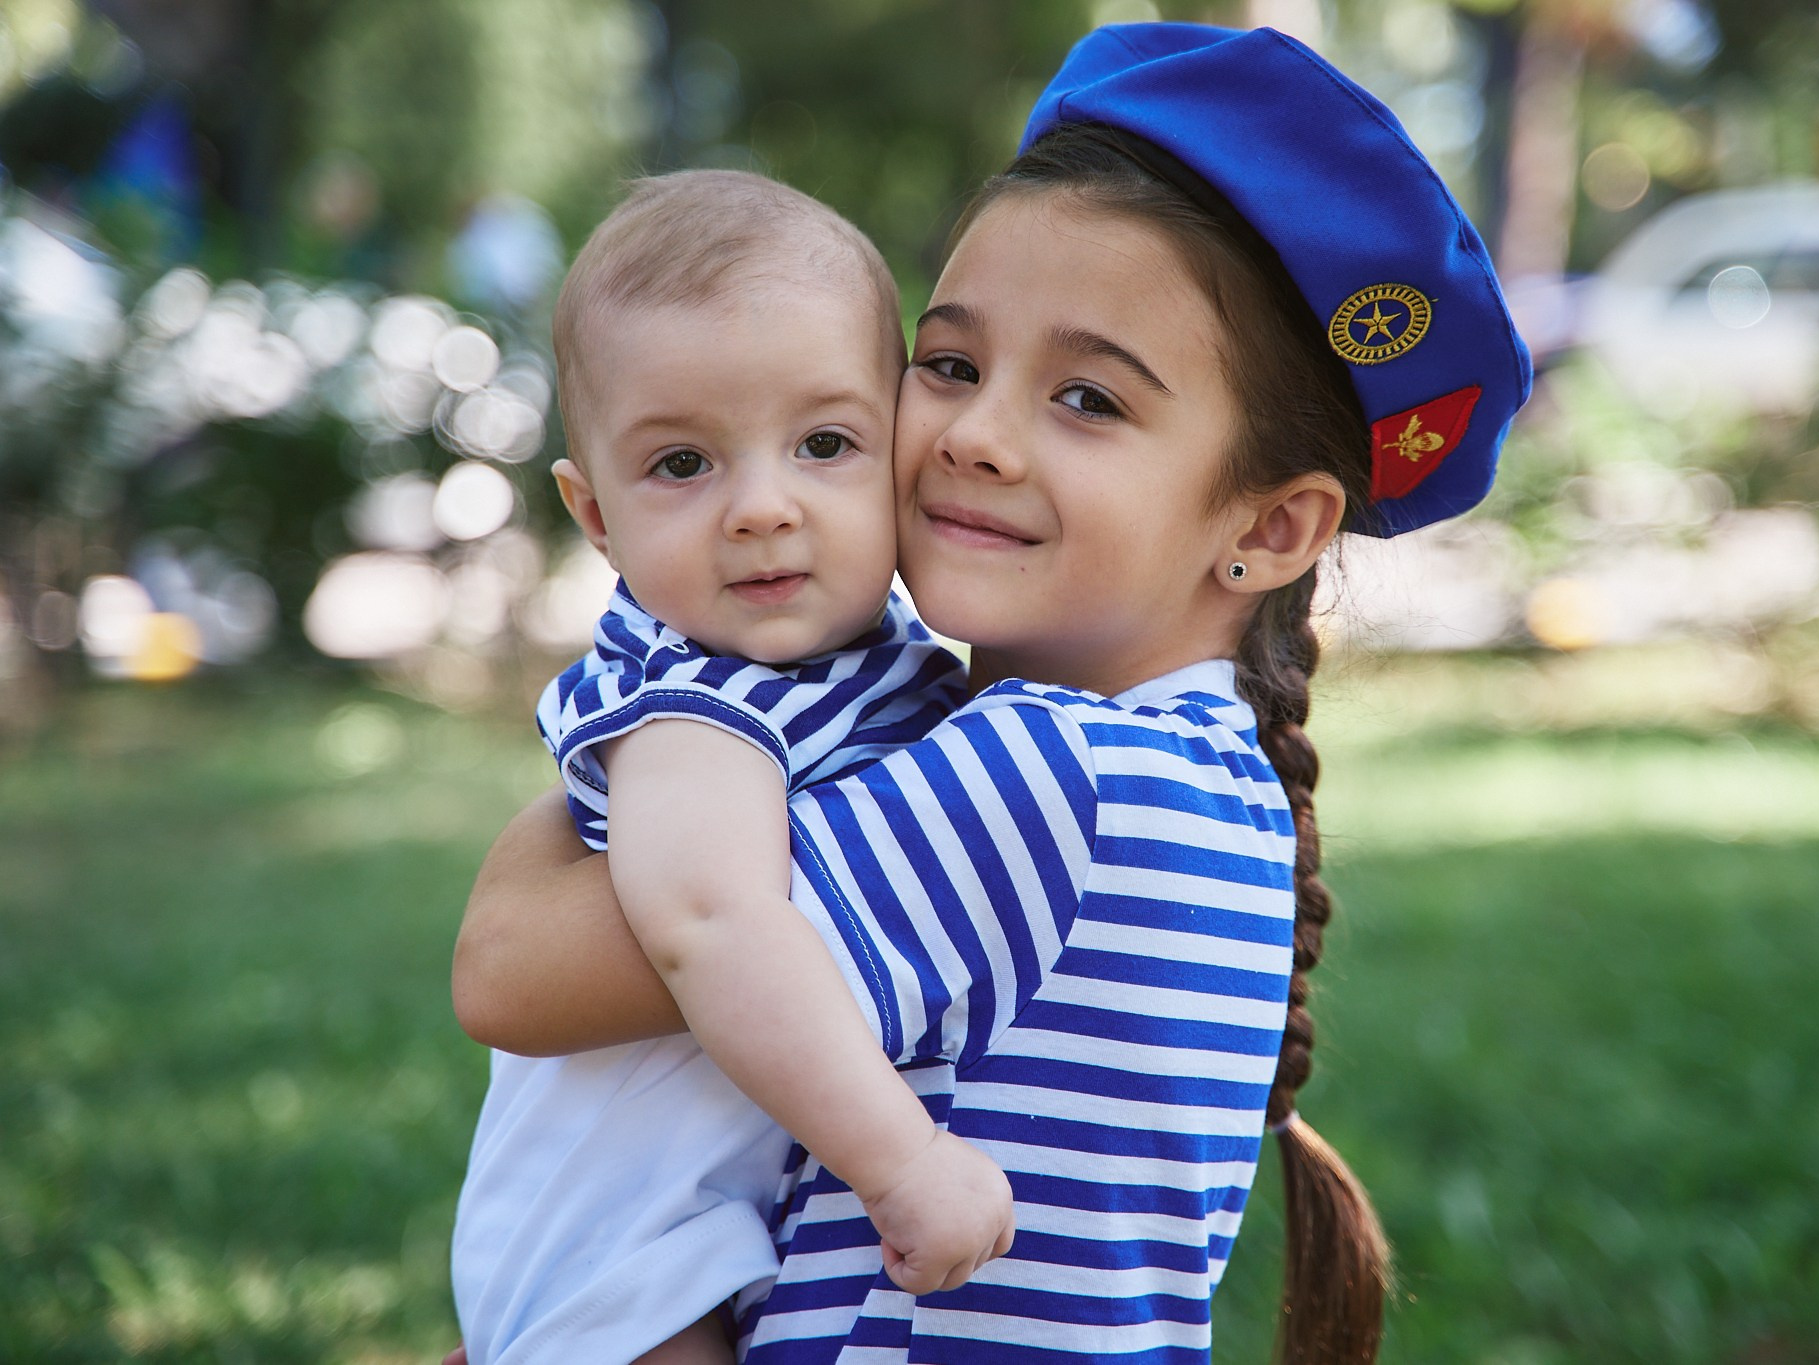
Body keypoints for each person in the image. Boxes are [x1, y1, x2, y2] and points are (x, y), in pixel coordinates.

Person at [453, 22, 1530, 1361]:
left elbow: (513, 967)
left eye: (1087, 397)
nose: (973, 433)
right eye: (951, 363)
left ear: (1268, 529)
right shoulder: (1204, 775)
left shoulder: (1050, 777)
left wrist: (635, 732)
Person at [449, 170, 1014, 1365]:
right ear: (593, 513)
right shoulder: (695, 704)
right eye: (682, 465)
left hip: (708, 1223)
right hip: (619, 1252)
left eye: (822, 444)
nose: (761, 507)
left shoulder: (852, 660)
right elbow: (708, 922)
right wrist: (901, 1159)